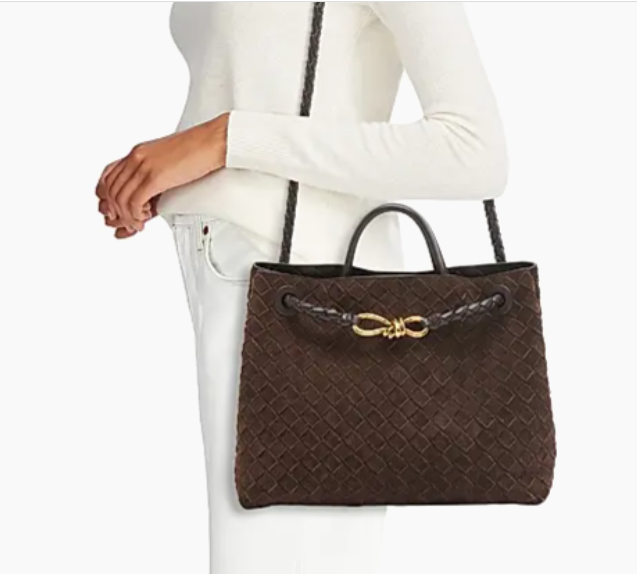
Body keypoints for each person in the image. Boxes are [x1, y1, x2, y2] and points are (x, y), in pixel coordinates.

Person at [94, 2, 508, 573]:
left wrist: (226, 138)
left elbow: (473, 152)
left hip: (311, 298)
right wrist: (165, 176)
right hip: (244, 273)